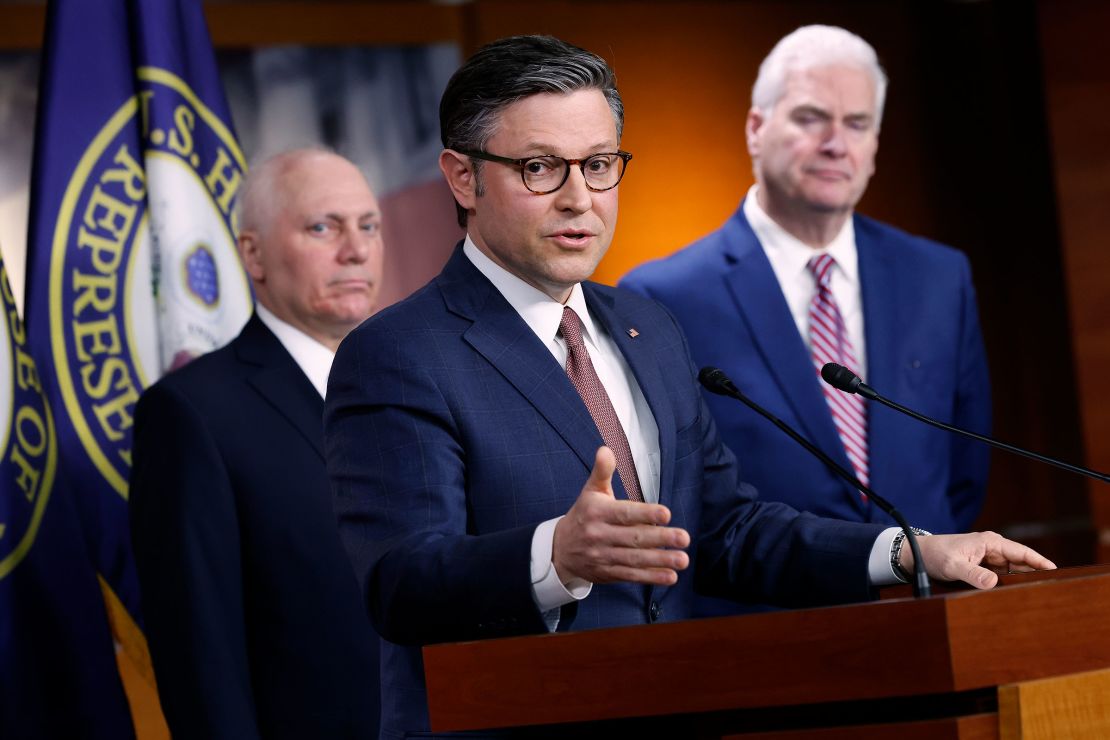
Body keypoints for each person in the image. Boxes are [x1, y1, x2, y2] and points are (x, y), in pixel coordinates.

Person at [323, 36, 1051, 739]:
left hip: (682, 713)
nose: (580, 198)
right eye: (541, 167)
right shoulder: (398, 354)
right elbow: (402, 583)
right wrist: (556, 555)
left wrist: (902, 553)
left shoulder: (647, 327)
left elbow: (727, 530)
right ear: (462, 177)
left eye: (600, 164)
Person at [621, 25, 991, 540]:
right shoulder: (660, 297)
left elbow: (965, 471)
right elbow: (680, 495)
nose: (837, 144)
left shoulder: (939, 276)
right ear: (756, 128)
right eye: (811, 118)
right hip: (767, 614)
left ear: (875, 143)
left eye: (857, 124)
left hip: (926, 601)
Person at [130, 149, 383, 739]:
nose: (356, 250)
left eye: (368, 226)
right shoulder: (191, 414)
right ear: (253, 254)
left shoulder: (418, 384)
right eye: (323, 227)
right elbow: (202, 657)